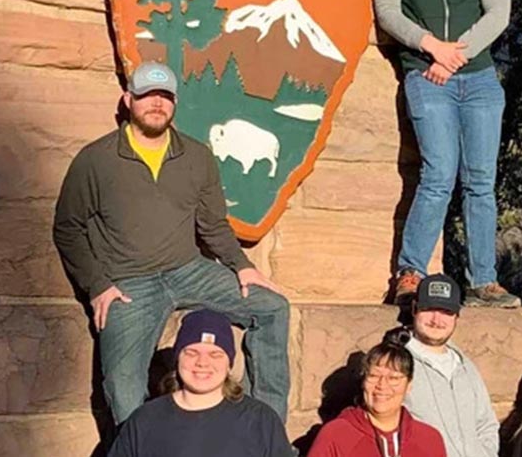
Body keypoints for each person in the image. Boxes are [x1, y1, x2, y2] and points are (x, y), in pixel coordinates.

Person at [53, 61, 290, 423]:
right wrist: (97, 285)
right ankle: (141, 444)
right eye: (147, 95)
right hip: (128, 283)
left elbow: (212, 224)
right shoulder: (96, 160)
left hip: (188, 270)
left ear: (175, 102)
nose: (156, 103)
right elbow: (68, 228)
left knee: (272, 308)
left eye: (164, 96)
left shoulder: (196, 156)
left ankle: (264, 431)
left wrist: (242, 266)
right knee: (122, 383)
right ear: (128, 100)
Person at [374, 0, 519, 308]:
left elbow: (499, 12)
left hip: (479, 80)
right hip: (425, 74)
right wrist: (431, 47)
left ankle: (483, 281)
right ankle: (410, 273)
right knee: (438, 174)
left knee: (481, 181)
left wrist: (456, 55)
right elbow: (387, 10)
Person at [107, 310, 296, 457]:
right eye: (191, 353)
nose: (203, 363)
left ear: (229, 364)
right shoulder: (145, 420)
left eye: (215, 354)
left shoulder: (260, 420)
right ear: (177, 359)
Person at [308, 327, 448, 457]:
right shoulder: (336, 435)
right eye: (374, 376)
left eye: (393, 378)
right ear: (363, 381)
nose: (382, 385)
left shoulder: (429, 440)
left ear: (409, 385)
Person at [402, 273, 500, 457]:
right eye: (429, 309)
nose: (436, 320)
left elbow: (486, 425)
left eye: (446, 312)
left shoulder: (466, 367)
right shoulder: (397, 363)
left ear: (457, 316)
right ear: (414, 308)